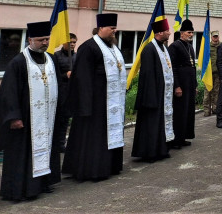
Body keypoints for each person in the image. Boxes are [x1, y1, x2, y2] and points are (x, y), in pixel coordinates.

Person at [0, 21, 61, 201]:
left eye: (47, 39)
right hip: (26, 119)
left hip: (47, 117)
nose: (45, 43)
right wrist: (14, 117)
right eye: (41, 40)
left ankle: (42, 184)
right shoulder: (18, 62)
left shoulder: (51, 59)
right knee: (22, 155)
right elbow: (8, 92)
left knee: (46, 150)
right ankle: (21, 190)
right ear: (30, 40)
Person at [62, 13, 126, 181]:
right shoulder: (88, 47)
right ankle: (92, 170)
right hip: (95, 102)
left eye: (115, 28)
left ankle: (110, 166)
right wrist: (85, 105)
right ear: (100, 28)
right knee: (93, 137)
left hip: (110, 101)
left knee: (107, 135)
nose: (114, 31)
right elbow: (82, 78)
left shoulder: (113, 48)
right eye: (112, 28)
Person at [131, 19, 174, 162]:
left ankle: (161, 149)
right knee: (151, 124)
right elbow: (147, 75)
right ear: (160, 32)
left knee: (160, 123)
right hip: (152, 95)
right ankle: (149, 153)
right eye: (167, 31)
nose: (169, 33)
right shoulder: (149, 49)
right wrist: (151, 96)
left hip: (163, 94)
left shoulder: (163, 48)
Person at [168, 19, 197, 148]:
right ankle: (175, 139)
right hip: (181, 84)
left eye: (192, 32)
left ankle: (183, 136)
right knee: (179, 112)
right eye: (189, 32)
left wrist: (195, 85)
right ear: (182, 33)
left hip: (190, 84)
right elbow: (173, 68)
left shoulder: (190, 47)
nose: (191, 34)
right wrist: (177, 86)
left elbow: (193, 67)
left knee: (188, 111)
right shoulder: (174, 46)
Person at [54, 33, 76, 153]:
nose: (72, 44)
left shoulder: (77, 56)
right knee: (61, 119)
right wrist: (65, 75)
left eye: (74, 42)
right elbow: (54, 74)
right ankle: (58, 144)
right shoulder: (57, 56)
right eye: (70, 42)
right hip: (61, 92)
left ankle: (65, 143)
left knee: (68, 120)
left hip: (73, 92)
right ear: (64, 43)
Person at [202, 31, 220, 117]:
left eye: (217, 36)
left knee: (217, 92)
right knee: (207, 92)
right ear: (211, 37)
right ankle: (206, 110)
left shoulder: (221, 46)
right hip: (209, 73)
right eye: (214, 37)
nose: (215, 38)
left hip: (218, 72)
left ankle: (215, 109)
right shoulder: (207, 46)